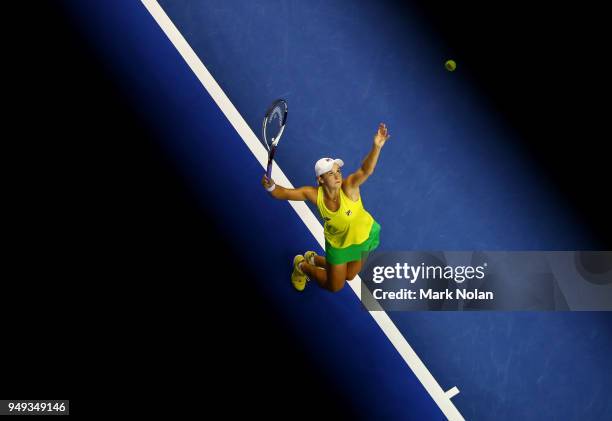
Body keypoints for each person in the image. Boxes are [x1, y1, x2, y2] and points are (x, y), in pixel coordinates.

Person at [262, 123, 390, 292]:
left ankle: (314, 259)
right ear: (320, 180)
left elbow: (366, 170)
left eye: (338, 171)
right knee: (335, 286)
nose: (337, 175)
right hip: (338, 244)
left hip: (364, 237)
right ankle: (302, 266)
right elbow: (283, 193)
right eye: (330, 173)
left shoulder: (349, 186)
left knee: (350, 276)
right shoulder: (313, 194)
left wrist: (376, 147)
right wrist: (271, 186)